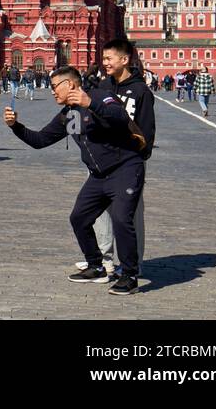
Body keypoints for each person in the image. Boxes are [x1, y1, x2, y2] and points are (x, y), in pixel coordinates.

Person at [5, 66, 146, 295]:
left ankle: (130, 276)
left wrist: (90, 103)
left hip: (125, 169)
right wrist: (15, 127)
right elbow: (40, 140)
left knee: (121, 219)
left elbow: (120, 116)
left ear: (70, 84)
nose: (52, 92)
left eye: (54, 87)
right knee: (79, 218)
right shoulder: (69, 114)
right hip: (99, 176)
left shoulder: (100, 95)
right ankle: (95, 266)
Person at [85, 38, 155, 278]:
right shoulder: (103, 87)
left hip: (129, 164)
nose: (104, 63)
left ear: (124, 60)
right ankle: (105, 261)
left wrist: (140, 158)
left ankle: (133, 264)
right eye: (103, 59)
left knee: (130, 215)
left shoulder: (140, 91)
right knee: (100, 215)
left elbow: (146, 129)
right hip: (102, 161)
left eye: (108, 58)